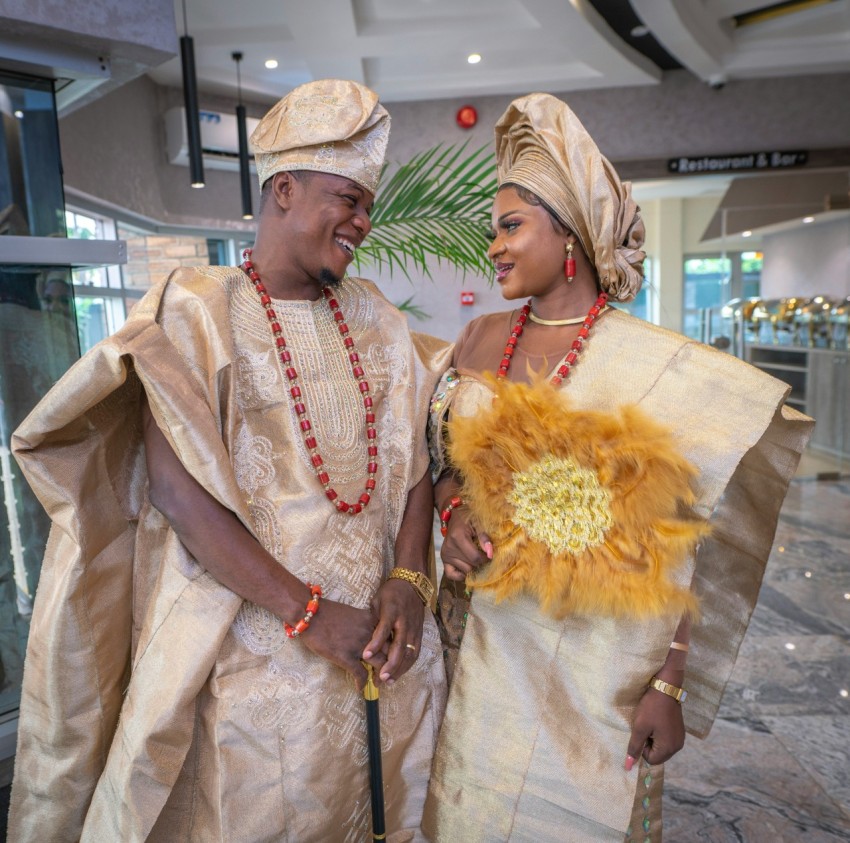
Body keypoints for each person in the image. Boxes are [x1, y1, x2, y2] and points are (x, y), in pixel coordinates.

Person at [9, 79, 451, 842]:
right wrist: (309, 615)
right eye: (348, 199)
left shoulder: (376, 317)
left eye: (368, 206)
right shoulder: (197, 311)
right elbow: (182, 496)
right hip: (258, 653)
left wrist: (410, 580)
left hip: (384, 648)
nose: (364, 223)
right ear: (284, 189)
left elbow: (412, 457)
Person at [421, 93, 813, 842]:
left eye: (511, 226)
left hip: (593, 661)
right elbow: (438, 462)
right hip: (476, 644)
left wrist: (669, 681)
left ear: (568, 232)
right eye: (492, 230)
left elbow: (681, 542)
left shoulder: (655, 366)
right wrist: (452, 513)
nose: (494, 247)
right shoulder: (477, 338)